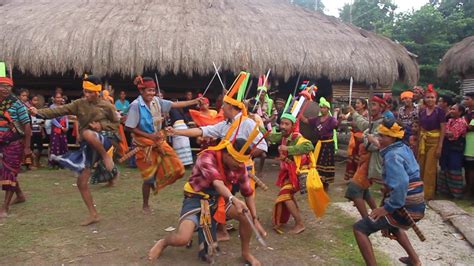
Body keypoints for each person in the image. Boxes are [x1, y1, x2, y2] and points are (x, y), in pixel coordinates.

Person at [167, 71, 267, 241]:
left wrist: (240, 157)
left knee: (242, 196)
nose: (221, 107)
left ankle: (251, 222)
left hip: (241, 167)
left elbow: (262, 147)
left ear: (230, 107)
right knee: (221, 197)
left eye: (224, 105)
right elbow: (202, 130)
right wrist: (177, 131)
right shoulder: (224, 124)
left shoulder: (248, 123)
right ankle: (221, 230)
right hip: (224, 167)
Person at [147, 139, 262, 265]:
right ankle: (163, 242)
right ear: (228, 155)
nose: (241, 166)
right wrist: (233, 199)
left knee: (247, 217)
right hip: (196, 197)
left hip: (218, 199)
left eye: (242, 162)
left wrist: (254, 218)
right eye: (238, 162)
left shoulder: (239, 165)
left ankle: (246, 253)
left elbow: (248, 192)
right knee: (182, 239)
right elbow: (217, 183)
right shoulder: (207, 157)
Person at [29, 75, 119, 225]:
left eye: (91, 92)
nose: (87, 94)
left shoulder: (107, 106)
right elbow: (59, 111)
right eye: (85, 91)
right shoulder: (79, 104)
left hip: (105, 140)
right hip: (88, 146)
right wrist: (38, 113)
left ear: (98, 91)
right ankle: (93, 214)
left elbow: (117, 123)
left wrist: (101, 126)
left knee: (87, 133)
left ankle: (106, 157)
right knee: (81, 182)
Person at [353, 119, 425, 266]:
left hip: (407, 206)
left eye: (382, 136)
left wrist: (386, 208)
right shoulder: (403, 148)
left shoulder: (392, 156)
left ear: (392, 138)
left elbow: (402, 184)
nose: (379, 138)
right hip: (417, 204)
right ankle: (415, 260)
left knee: (360, 228)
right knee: (393, 226)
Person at [125, 76, 202, 214]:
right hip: (144, 145)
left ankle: (158, 182)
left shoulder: (157, 101)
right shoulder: (135, 106)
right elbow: (130, 127)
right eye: (148, 90)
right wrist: (149, 136)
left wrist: (194, 101)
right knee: (148, 178)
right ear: (142, 91)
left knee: (178, 169)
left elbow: (175, 105)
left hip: (159, 141)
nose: (151, 93)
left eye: (153, 90)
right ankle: (145, 205)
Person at [268, 113, 315, 234]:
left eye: (286, 124)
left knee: (285, 195)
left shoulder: (296, 137)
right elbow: (271, 137)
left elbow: (309, 146)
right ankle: (297, 220)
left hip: (297, 173)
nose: (283, 126)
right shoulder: (283, 135)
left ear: (293, 126)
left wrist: (288, 149)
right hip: (288, 173)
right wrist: (256, 125)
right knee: (287, 196)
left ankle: (300, 223)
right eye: (282, 123)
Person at [0, 76, 30, 218]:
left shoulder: (17, 104)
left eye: (8, 86)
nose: (5, 89)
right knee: (6, 171)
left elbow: (27, 125)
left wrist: (27, 147)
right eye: (2, 86)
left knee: (9, 172)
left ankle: (4, 207)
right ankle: (19, 195)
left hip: (14, 143)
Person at [348, 95, 390, 186]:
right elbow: (364, 125)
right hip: (367, 161)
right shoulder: (374, 121)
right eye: (370, 105)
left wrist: (364, 138)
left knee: (355, 189)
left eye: (374, 105)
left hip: (375, 161)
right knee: (362, 190)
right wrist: (354, 113)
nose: (371, 108)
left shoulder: (383, 123)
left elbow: (373, 145)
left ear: (381, 107)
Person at [301, 97, 338, 189]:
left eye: (324, 108)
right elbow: (306, 120)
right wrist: (299, 113)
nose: (322, 109)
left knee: (327, 163)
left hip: (328, 144)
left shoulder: (331, 119)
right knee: (317, 162)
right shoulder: (317, 119)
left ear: (328, 109)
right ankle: (318, 181)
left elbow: (336, 124)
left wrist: (336, 114)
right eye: (321, 107)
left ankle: (326, 183)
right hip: (319, 143)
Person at [417, 84, 445, 200]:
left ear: (436, 99)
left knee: (430, 168)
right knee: (420, 166)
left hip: (434, 141)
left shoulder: (439, 112)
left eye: (432, 97)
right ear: (424, 99)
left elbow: (443, 129)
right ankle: (418, 191)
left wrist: (440, 146)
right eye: (428, 97)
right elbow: (420, 127)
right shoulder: (422, 111)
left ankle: (428, 194)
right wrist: (418, 140)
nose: (430, 99)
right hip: (423, 141)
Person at [438, 104, 467, 199]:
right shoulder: (450, 120)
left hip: (455, 149)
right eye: (451, 108)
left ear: (460, 112)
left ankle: (456, 193)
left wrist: (441, 132)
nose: (451, 110)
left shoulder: (462, 122)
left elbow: (452, 135)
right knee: (444, 167)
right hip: (446, 148)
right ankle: (445, 191)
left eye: (453, 109)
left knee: (454, 168)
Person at [344, 98, 369, 180]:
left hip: (362, 139)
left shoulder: (366, 115)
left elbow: (365, 127)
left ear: (364, 105)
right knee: (352, 157)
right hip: (354, 138)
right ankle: (353, 177)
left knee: (360, 158)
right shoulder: (355, 114)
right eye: (356, 103)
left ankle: (360, 177)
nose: (356, 105)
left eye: (358, 103)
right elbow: (346, 119)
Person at [48, 92, 69, 168]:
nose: (58, 99)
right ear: (54, 98)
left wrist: (67, 127)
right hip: (56, 128)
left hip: (63, 128)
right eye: (57, 97)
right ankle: (53, 162)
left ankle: (62, 163)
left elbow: (66, 117)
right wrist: (60, 127)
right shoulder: (52, 107)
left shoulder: (64, 107)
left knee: (62, 144)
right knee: (55, 144)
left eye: (60, 97)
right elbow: (52, 119)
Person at [30, 94, 46, 168]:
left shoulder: (40, 111)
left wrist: (42, 132)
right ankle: (32, 162)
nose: (36, 102)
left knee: (40, 147)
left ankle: (37, 161)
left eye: (37, 100)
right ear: (31, 101)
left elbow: (42, 123)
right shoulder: (28, 111)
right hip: (31, 132)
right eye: (34, 100)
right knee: (31, 147)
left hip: (38, 131)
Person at [463, 92, 474, 197]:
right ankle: (467, 187)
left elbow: (471, 127)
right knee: (467, 167)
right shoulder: (466, 112)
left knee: (471, 168)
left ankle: (470, 190)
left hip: (472, 144)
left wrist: (460, 123)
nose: (465, 101)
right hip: (466, 142)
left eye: (467, 99)